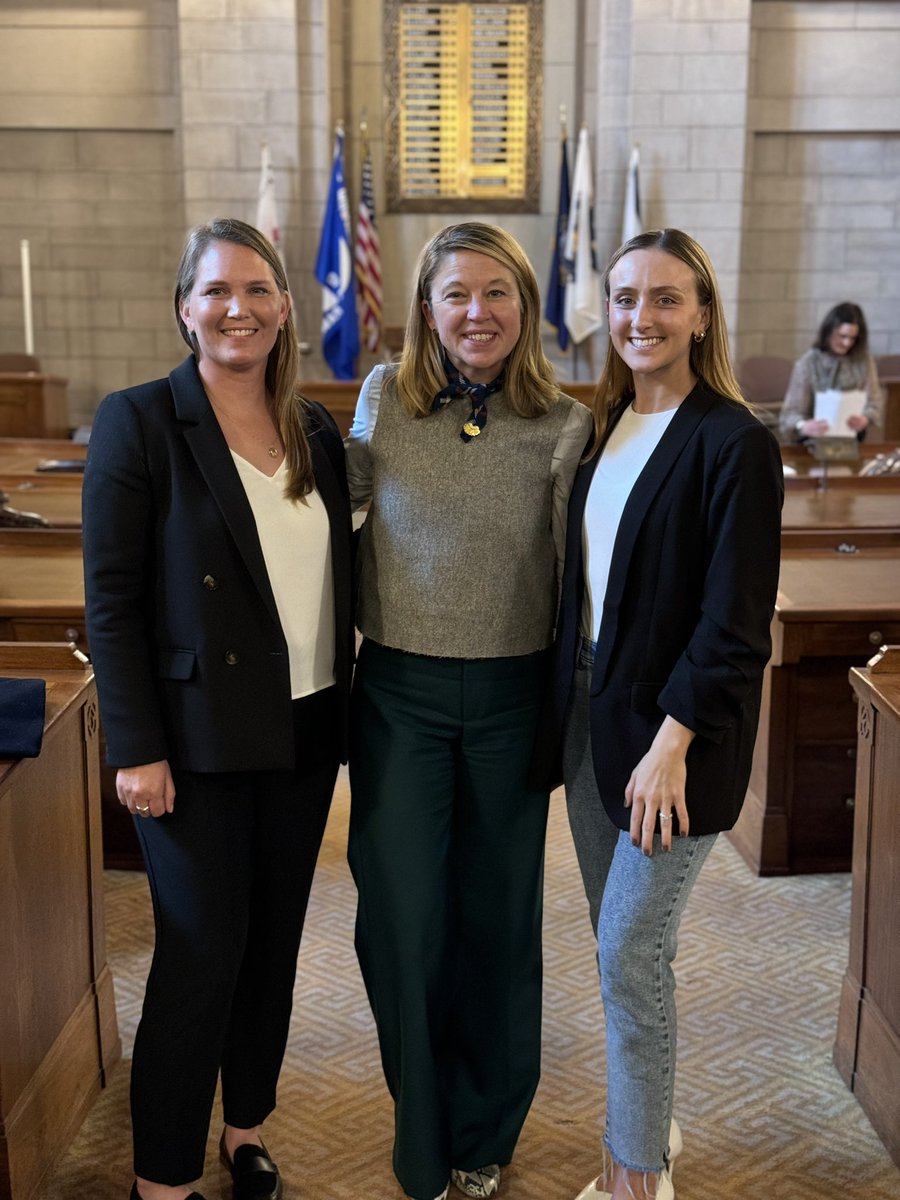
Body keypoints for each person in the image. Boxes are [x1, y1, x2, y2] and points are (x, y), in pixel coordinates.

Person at [82, 217, 354, 1200]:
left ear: (286, 308)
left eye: (257, 291)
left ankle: (244, 1128)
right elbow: (109, 601)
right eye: (215, 291)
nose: (236, 308)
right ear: (185, 308)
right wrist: (137, 747)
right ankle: (161, 1176)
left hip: (305, 727)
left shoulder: (317, 426)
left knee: (273, 943)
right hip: (192, 746)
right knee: (201, 952)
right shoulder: (139, 420)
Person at [531, 229, 783, 1200]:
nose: (643, 317)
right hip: (593, 721)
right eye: (627, 298)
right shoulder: (602, 429)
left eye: (667, 299)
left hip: (674, 740)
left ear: (704, 313)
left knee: (632, 952)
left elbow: (735, 623)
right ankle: (650, 1124)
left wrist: (673, 743)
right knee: (618, 946)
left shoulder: (734, 441)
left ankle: (636, 1180)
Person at [344, 221, 592, 1200]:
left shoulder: (563, 422)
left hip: (508, 699)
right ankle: (423, 1129)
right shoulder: (381, 399)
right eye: (456, 294)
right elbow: (323, 503)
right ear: (426, 309)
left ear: (525, 308)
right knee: (400, 916)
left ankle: (484, 1135)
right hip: (397, 694)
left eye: (497, 293)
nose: (476, 313)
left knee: (497, 922)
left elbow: (593, 568)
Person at [780, 301, 883, 441]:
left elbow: (874, 403)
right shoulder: (808, 363)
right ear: (829, 332)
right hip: (812, 441)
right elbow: (790, 414)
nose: (847, 343)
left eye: (852, 338)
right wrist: (803, 425)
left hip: (852, 438)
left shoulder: (863, 361)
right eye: (842, 336)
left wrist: (865, 418)